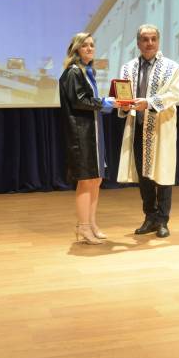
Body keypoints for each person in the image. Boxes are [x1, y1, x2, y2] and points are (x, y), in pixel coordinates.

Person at [117, 24, 179, 237]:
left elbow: (174, 95)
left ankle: (163, 220)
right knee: (144, 177)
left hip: (161, 130)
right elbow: (123, 97)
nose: (149, 43)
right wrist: (123, 105)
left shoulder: (172, 67)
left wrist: (149, 103)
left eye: (153, 39)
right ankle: (150, 217)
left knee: (163, 173)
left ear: (158, 41)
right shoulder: (128, 68)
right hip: (138, 128)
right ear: (138, 43)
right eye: (145, 39)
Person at [58, 32, 119, 244]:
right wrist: (105, 102)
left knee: (96, 179)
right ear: (76, 49)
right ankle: (83, 227)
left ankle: (91, 223)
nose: (90, 48)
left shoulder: (86, 71)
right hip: (81, 134)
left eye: (92, 45)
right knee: (86, 180)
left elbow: (88, 100)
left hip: (93, 131)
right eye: (85, 45)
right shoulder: (73, 72)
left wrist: (106, 102)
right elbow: (79, 101)